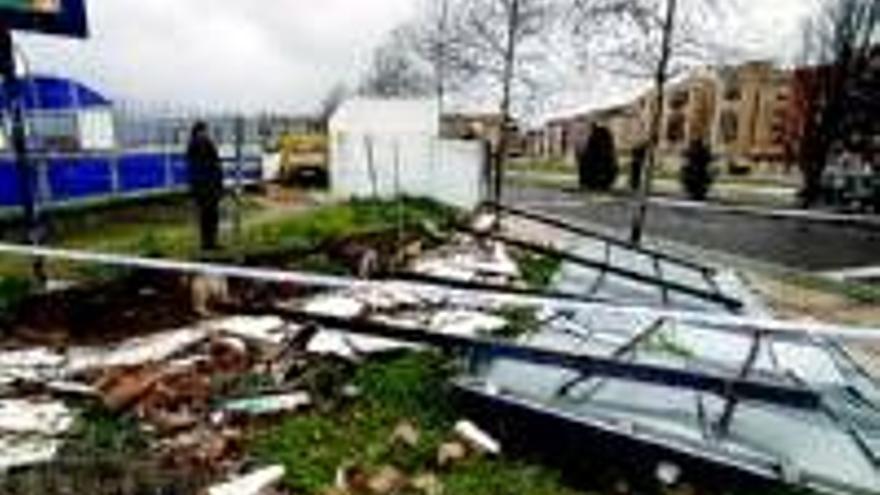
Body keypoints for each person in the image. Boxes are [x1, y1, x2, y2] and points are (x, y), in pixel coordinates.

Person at [186, 121, 223, 250]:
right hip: (207, 188)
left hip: (205, 187)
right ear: (199, 131)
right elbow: (211, 166)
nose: (206, 133)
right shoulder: (202, 144)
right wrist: (216, 185)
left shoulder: (196, 145)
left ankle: (209, 242)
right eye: (204, 130)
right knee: (209, 216)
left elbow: (213, 166)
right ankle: (209, 242)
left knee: (208, 216)